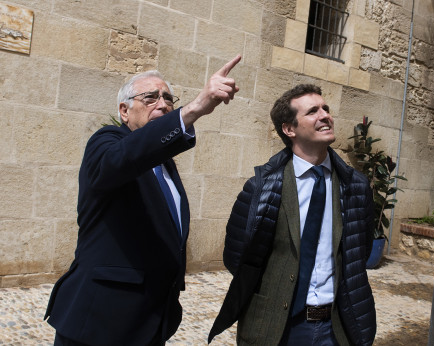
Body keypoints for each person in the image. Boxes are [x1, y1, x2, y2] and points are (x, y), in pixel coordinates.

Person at [44, 55, 242, 346]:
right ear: (124, 111)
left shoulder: (165, 164)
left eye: (168, 98)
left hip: (149, 323)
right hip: (100, 322)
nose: (162, 104)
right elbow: (122, 159)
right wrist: (195, 108)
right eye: (150, 97)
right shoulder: (106, 142)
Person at [208, 84, 377, 345]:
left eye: (326, 109)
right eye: (312, 111)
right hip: (277, 329)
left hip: (336, 329)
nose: (325, 115)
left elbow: (359, 253)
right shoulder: (262, 187)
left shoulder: (355, 186)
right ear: (289, 129)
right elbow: (237, 258)